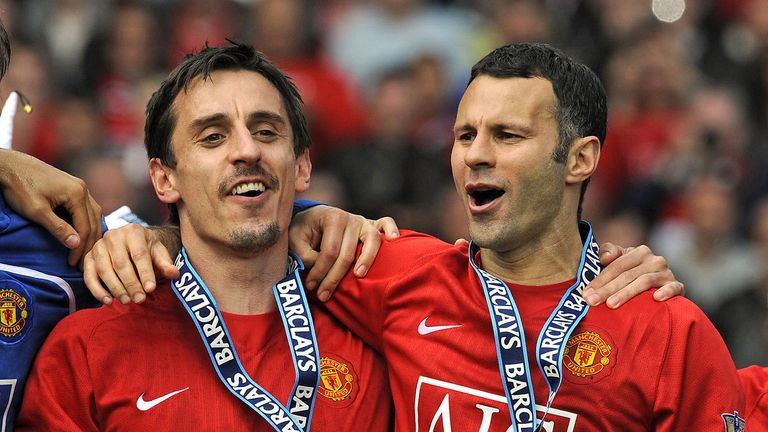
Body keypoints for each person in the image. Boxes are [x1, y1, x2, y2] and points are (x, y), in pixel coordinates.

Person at [82, 43, 724, 432]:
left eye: (507, 136)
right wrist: (145, 237)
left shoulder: (666, 329)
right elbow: (238, 240)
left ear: (580, 160)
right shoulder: (392, 269)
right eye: (464, 135)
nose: (475, 155)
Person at [16, 44, 393, 431]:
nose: (247, 150)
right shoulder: (87, 350)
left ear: (301, 166)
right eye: (213, 137)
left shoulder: (375, 327)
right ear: (164, 180)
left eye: (266, 131)